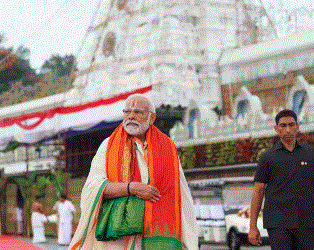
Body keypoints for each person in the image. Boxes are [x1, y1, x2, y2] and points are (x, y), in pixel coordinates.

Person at [69, 94, 197, 250]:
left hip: (158, 234)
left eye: (138, 112)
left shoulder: (168, 147)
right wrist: (132, 188)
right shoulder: (108, 146)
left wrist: (187, 240)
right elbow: (92, 188)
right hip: (117, 239)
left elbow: (181, 195)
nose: (130, 116)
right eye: (127, 111)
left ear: (152, 118)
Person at [248, 109, 314, 250]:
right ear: (276, 129)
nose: (288, 129)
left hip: (307, 223)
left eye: (291, 125)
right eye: (283, 125)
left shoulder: (310, 154)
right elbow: (258, 191)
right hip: (278, 223)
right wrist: (253, 227)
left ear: (298, 127)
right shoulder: (267, 157)